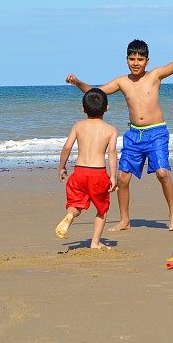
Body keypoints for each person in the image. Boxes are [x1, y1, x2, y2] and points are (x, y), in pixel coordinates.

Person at [65, 24, 173, 232]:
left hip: (156, 132)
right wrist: (78, 82)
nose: (136, 63)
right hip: (134, 135)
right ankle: (124, 220)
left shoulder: (155, 75)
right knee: (123, 178)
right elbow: (96, 92)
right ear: (127, 60)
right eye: (132, 59)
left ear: (147, 61)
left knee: (162, 173)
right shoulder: (123, 82)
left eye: (140, 59)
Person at [55, 88, 118, 248]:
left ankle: (70, 215)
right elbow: (112, 153)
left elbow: (67, 147)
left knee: (75, 204)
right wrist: (113, 176)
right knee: (102, 209)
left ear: (83, 108)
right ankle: (95, 243)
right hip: (98, 173)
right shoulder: (111, 130)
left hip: (79, 172)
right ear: (107, 108)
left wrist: (61, 167)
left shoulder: (78, 126)